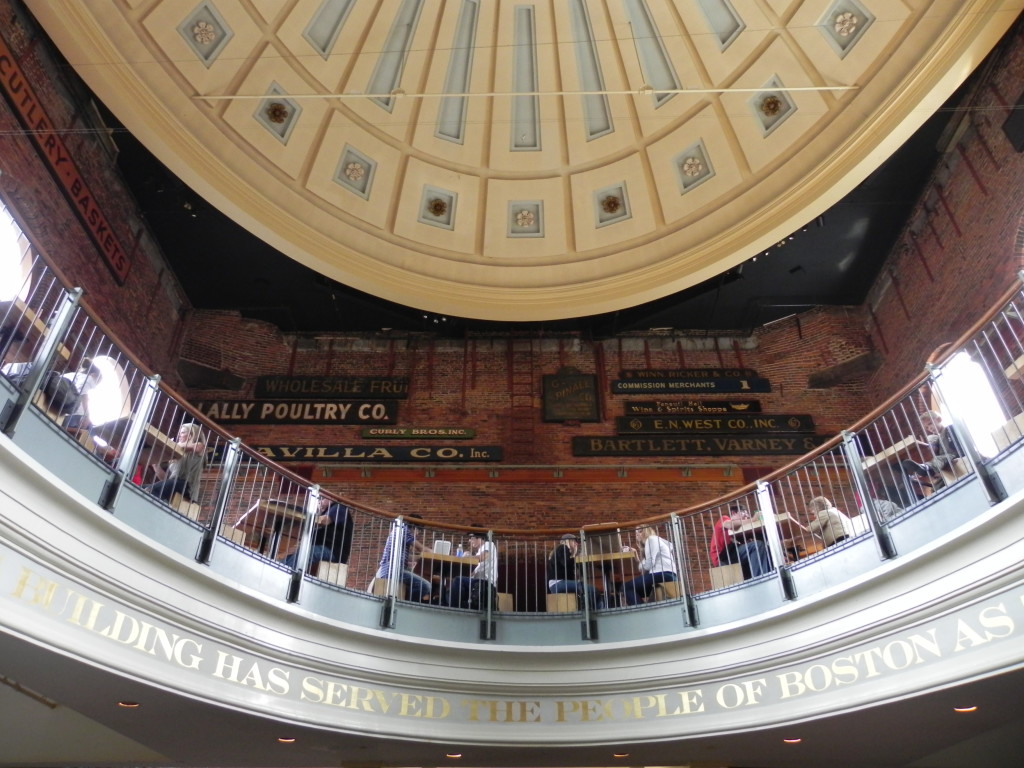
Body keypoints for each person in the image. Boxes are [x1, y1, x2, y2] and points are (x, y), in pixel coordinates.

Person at [285, 495, 355, 575]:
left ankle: (288, 575)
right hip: (322, 548)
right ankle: (284, 572)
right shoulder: (326, 511)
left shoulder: (338, 508)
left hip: (333, 551)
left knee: (307, 552)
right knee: (290, 555)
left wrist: (308, 516)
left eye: (322, 499)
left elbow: (324, 521)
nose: (319, 501)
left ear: (332, 498)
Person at [373, 514, 431, 602]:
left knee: (416, 586)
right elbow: (422, 548)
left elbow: (408, 557)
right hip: (393, 571)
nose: (418, 533)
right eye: (419, 530)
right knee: (426, 586)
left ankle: (405, 602)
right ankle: (407, 604)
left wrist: (420, 558)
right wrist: (434, 552)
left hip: (389, 570)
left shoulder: (399, 530)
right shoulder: (404, 531)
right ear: (415, 527)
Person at [901, 410, 965, 488]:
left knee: (940, 459)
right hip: (947, 465)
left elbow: (958, 448)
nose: (929, 428)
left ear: (939, 419)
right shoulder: (937, 439)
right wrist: (934, 444)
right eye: (927, 427)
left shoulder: (950, 429)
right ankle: (922, 470)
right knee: (936, 488)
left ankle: (926, 468)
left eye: (930, 423)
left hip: (957, 456)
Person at [144, 422, 205, 502]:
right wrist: (155, 465)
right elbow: (166, 479)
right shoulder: (177, 453)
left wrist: (172, 445)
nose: (179, 435)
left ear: (191, 435)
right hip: (175, 483)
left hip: (186, 486)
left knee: (150, 490)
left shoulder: (199, 445)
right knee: (141, 487)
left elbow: (197, 447)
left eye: (182, 433)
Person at [708, 503, 772, 579]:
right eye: (744, 512)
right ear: (733, 513)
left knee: (765, 547)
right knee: (757, 545)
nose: (747, 515)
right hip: (722, 557)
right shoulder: (725, 519)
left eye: (748, 513)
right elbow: (729, 525)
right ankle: (761, 579)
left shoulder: (742, 531)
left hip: (732, 555)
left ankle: (769, 574)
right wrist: (753, 519)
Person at [622, 527, 677, 606]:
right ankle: (643, 609)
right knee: (634, 591)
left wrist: (642, 566)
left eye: (640, 531)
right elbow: (644, 566)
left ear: (647, 531)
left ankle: (641, 611)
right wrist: (636, 555)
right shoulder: (653, 542)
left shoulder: (651, 539)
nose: (637, 534)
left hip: (662, 574)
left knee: (626, 587)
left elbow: (647, 566)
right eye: (636, 532)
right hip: (665, 574)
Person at [547, 533, 603, 610]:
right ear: (567, 541)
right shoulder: (562, 548)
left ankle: (587, 611)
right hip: (558, 583)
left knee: (586, 590)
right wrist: (578, 558)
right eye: (574, 541)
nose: (577, 543)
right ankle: (596, 612)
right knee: (592, 590)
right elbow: (566, 563)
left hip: (557, 584)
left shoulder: (562, 552)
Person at [445, 527, 497, 609]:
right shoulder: (480, 550)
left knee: (457, 580)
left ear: (479, 538)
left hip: (485, 582)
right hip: (477, 582)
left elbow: (482, 557)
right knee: (450, 587)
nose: (469, 541)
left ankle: (453, 608)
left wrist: (469, 556)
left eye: (471, 538)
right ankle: (455, 606)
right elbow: (473, 572)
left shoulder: (489, 544)